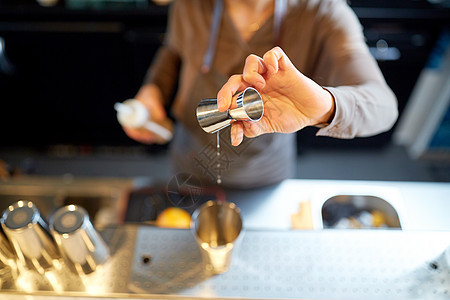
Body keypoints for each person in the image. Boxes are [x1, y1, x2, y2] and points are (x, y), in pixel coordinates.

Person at [121, 0, 398, 189]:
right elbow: (174, 48)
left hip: (262, 169)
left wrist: (324, 106)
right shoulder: (191, 4)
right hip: (188, 153)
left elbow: (383, 106)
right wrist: (153, 89)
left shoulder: (322, 11)